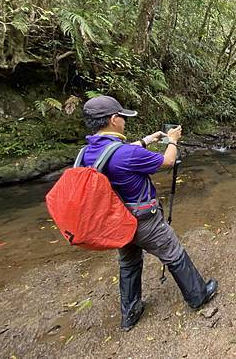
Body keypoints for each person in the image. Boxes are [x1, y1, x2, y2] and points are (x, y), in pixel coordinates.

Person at [80, 96, 217, 331]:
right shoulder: (126, 155)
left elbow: (115, 154)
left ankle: (130, 313)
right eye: (122, 117)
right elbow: (168, 162)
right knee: (173, 253)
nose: (124, 121)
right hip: (143, 219)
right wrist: (172, 140)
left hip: (116, 219)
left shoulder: (87, 152)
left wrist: (146, 140)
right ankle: (198, 296)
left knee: (129, 262)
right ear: (114, 120)